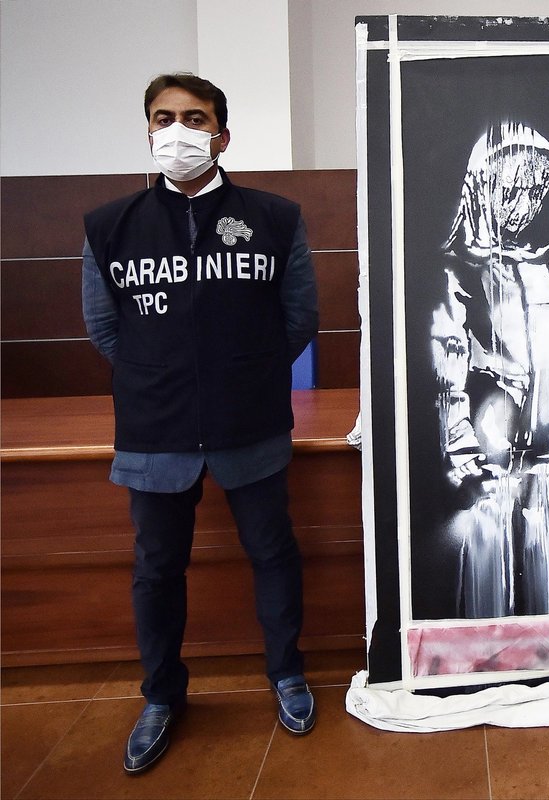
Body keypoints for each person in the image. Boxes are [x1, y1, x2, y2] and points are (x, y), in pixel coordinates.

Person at [82, 73, 319, 773]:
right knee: (157, 568)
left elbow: (298, 316)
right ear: (148, 130)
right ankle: (161, 697)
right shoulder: (109, 225)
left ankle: (288, 674)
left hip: (251, 424)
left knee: (274, 552)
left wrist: (239, 370)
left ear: (221, 133)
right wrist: (166, 374)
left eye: (194, 117)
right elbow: (104, 328)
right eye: (163, 118)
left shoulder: (275, 216)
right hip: (155, 430)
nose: (177, 130)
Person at [431, 121, 549, 619]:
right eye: (511, 189)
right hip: (487, 465)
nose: (523, 205)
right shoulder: (458, 271)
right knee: (489, 582)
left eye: (535, 190)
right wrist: (462, 457)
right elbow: (448, 371)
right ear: (482, 187)